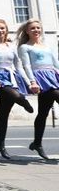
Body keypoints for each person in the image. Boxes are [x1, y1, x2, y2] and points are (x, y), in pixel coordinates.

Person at [0, 19, 35, 159]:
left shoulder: (12, 46)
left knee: (4, 112)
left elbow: (18, 66)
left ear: (6, 30)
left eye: (2, 28)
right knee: (15, 96)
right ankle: (23, 101)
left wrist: (29, 81)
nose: (0, 31)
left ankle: (0, 144)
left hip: (12, 77)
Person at [17, 19, 58, 160]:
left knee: (42, 113)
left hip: (53, 76)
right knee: (54, 97)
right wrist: (32, 81)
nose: (36, 30)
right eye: (33, 28)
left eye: (38, 28)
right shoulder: (25, 47)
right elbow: (26, 66)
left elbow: (56, 63)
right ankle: (37, 143)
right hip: (41, 79)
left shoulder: (46, 46)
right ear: (27, 31)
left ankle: (37, 143)